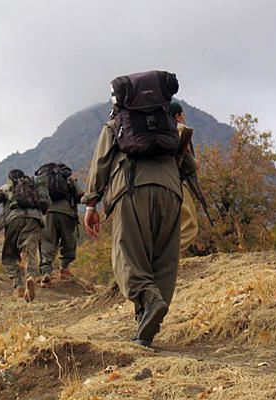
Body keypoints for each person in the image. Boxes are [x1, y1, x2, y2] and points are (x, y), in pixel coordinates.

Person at [83, 71, 182, 347]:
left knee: (127, 255)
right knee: (164, 260)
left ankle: (149, 302)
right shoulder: (168, 123)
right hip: (172, 192)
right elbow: (187, 163)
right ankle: (147, 324)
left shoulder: (116, 123)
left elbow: (101, 162)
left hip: (132, 188)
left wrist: (91, 203)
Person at [0, 169, 50, 302]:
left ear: (10, 178)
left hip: (14, 219)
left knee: (9, 255)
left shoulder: (7, 188)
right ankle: (31, 276)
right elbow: (46, 203)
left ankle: (19, 286)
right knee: (30, 250)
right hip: (35, 219)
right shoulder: (34, 187)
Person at [36, 162, 84, 286]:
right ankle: (64, 269)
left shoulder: (45, 179)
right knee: (67, 241)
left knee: (47, 242)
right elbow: (79, 194)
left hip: (47, 213)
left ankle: (46, 273)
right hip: (66, 212)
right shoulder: (67, 177)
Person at [171, 101, 199, 253]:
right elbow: (189, 165)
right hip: (174, 183)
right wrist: (196, 163)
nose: (184, 117)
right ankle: (168, 258)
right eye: (183, 114)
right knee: (189, 224)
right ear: (177, 116)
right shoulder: (180, 130)